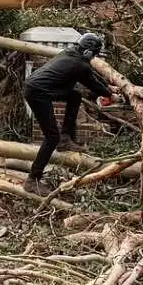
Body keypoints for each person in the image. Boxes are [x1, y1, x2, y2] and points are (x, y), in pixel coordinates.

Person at [23, 32, 119, 196]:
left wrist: (108, 88)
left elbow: (92, 76)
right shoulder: (79, 65)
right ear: (88, 52)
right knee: (52, 136)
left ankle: (66, 138)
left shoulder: (71, 54)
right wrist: (109, 94)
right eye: (94, 54)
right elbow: (92, 82)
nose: (93, 57)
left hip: (38, 87)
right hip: (37, 92)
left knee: (74, 95)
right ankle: (32, 179)